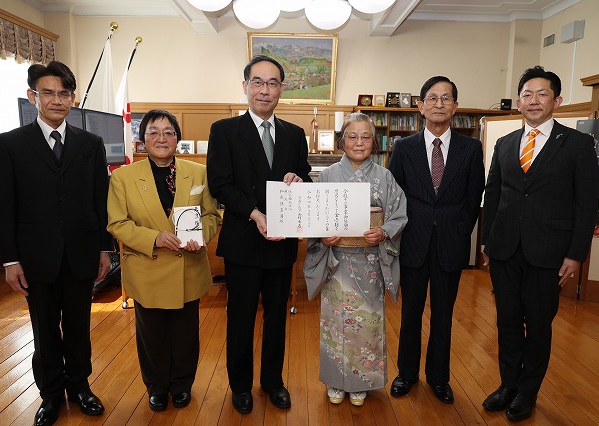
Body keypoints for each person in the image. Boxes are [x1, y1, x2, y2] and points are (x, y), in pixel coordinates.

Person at [0, 61, 112, 426]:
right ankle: (50, 395)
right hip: (35, 258)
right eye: (48, 93)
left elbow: (99, 200)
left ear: (73, 99)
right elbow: (5, 205)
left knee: (78, 326)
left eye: (64, 93)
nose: (56, 100)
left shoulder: (90, 144)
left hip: (81, 254)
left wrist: (105, 249)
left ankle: (80, 386)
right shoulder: (11, 144)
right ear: (33, 97)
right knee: (44, 331)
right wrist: (10, 259)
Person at [481, 66, 599, 421]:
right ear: (518, 102)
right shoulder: (504, 143)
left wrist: (576, 254)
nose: (534, 100)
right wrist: (486, 243)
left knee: (539, 324)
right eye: (527, 94)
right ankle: (507, 385)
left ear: (557, 101)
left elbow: (588, 202)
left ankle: (527, 392)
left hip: (549, 253)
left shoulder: (578, 144)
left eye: (542, 94)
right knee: (507, 321)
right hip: (504, 250)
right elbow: (494, 194)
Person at [206, 55, 312, 414]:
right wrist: (255, 214)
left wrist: (300, 180)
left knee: (278, 317)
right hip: (244, 241)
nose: (265, 90)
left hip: (282, 245)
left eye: (272, 83)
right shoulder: (224, 131)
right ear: (245, 86)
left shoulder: (295, 135)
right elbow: (220, 184)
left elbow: (304, 176)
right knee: (240, 317)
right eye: (258, 82)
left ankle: (272, 381)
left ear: (282, 89)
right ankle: (240, 386)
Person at [107, 110, 221, 412]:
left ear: (177, 139)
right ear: (142, 139)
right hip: (148, 268)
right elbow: (117, 223)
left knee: (186, 334)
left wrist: (202, 235)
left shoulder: (198, 173)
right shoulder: (122, 177)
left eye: (168, 132)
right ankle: (156, 387)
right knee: (152, 335)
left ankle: (182, 384)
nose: (161, 138)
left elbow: (211, 215)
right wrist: (153, 238)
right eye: (154, 132)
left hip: (189, 265)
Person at [388, 76, 485, 404]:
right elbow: (394, 196)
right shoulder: (403, 148)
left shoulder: (471, 148)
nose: (439, 104)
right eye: (432, 98)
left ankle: (439, 378)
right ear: (420, 106)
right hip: (412, 244)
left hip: (450, 244)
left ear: (455, 107)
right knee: (410, 313)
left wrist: (460, 231)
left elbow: (474, 199)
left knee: (443, 315)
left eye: (446, 98)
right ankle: (406, 373)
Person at [304, 112, 408, 407]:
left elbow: (399, 214)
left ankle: (362, 380)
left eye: (365, 137)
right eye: (352, 136)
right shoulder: (327, 176)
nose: (359, 142)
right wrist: (323, 235)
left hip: (370, 264)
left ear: (374, 142)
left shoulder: (385, 177)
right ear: (342, 140)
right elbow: (314, 216)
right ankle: (337, 381)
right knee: (335, 322)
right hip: (337, 263)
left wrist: (384, 232)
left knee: (368, 323)